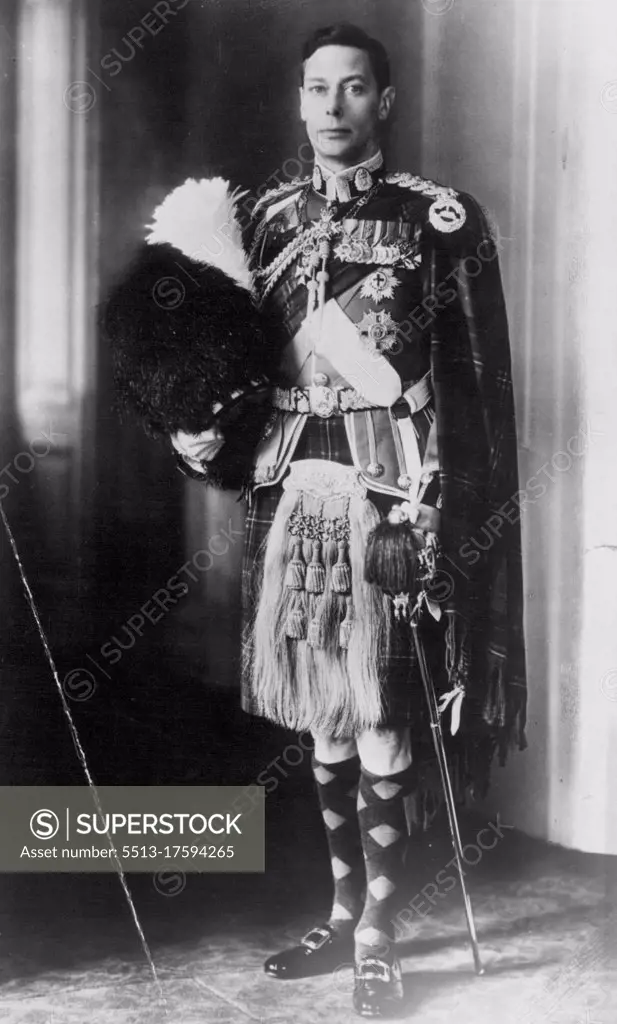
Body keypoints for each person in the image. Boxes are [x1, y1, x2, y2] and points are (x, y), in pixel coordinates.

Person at [170, 22, 527, 1019]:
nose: (332, 108)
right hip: (291, 494)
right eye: (316, 89)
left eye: (353, 88)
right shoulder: (263, 220)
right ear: (297, 101)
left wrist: (448, 502)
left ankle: (379, 933)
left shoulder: (437, 221)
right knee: (319, 715)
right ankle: (338, 915)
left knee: (376, 714)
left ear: (387, 101)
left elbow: (468, 385)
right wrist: (194, 427)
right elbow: (227, 363)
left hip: (385, 494)